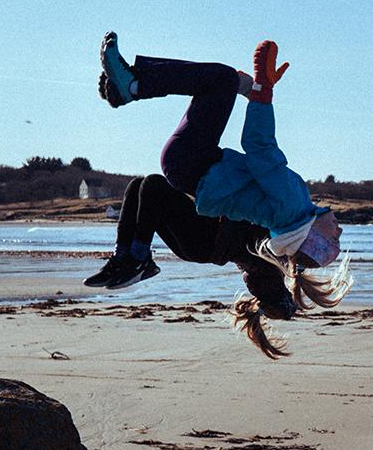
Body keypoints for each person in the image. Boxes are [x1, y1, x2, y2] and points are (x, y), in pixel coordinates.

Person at [89, 34, 353, 356]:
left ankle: (132, 86)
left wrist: (260, 96)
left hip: (202, 210)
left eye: (334, 238)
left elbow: (262, 150)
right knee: (147, 186)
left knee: (221, 79)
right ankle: (131, 257)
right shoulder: (279, 231)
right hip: (199, 202)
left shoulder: (287, 215)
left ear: (311, 234)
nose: (340, 229)